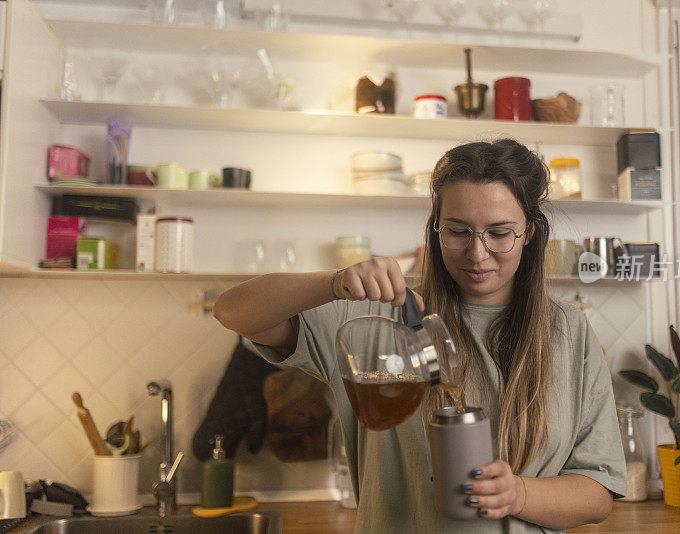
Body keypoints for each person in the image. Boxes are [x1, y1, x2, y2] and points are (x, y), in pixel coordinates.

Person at [213, 139, 626, 533]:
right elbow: (232, 311)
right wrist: (335, 281)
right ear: (435, 230)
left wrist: (517, 494)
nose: (477, 253)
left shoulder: (568, 332)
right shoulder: (375, 316)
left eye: (499, 233)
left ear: (529, 234)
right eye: (458, 231)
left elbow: (597, 494)